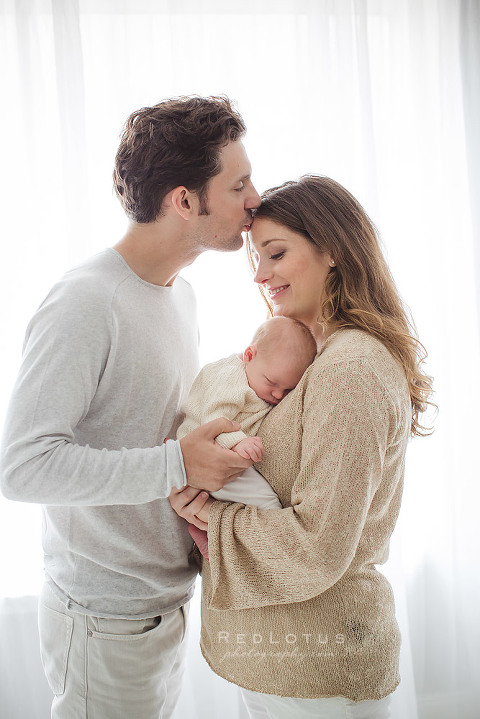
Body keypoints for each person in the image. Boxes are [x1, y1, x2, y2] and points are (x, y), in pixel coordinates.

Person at [0, 95, 261, 719]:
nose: (256, 199)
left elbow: (161, 440)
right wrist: (179, 465)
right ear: (182, 200)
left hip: (162, 606)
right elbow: (23, 467)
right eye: (239, 183)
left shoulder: (183, 297)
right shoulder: (86, 303)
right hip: (103, 619)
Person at [170, 175, 434, 718]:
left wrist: (207, 517)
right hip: (292, 662)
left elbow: (318, 544)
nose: (261, 274)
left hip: (317, 666)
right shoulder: (314, 358)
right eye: (256, 260)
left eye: (276, 253)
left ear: (332, 250)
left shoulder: (350, 367)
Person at [177, 316, 318, 520]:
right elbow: (214, 419)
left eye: (288, 389)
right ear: (249, 356)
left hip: (214, 460)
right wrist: (238, 442)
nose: (278, 395)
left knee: (235, 502)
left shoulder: (258, 378)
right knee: (267, 502)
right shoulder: (231, 378)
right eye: (271, 382)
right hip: (204, 456)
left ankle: (206, 539)